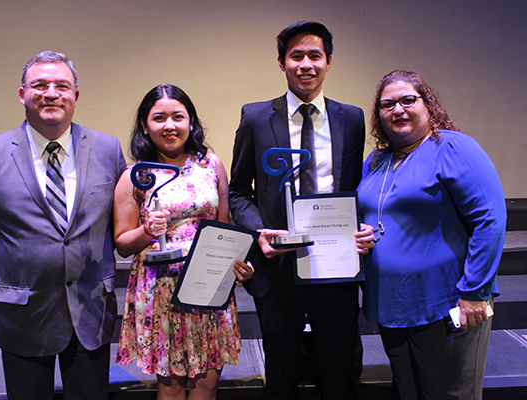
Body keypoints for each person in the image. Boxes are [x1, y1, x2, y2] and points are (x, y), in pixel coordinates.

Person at [0, 51, 126, 400]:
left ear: (75, 96)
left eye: (61, 86)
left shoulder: (108, 149)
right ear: (22, 93)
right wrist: (19, 269)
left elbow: (117, 222)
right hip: (23, 312)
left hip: (91, 310)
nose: (51, 93)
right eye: (39, 85)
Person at [229, 21, 374, 400]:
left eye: (314, 55)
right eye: (296, 56)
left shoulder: (352, 118)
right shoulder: (257, 117)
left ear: (328, 62)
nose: (305, 64)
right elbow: (239, 191)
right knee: (281, 373)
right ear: (281, 62)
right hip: (278, 267)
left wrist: (362, 226)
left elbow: (356, 188)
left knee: (339, 371)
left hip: (336, 264)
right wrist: (260, 232)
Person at [357, 70, 506, 400]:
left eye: (408, 100)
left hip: (449, 303)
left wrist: (475, 292)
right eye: (387, 104)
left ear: (428, 104)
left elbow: (490, 221)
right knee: (410, 393)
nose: (398, 110)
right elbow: (374, 211)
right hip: (391, 306)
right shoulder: (376, 161)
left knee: (452, 395)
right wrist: (361, 232)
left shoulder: (453, 147)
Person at [114, 84, 254, 400]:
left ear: (191, 121)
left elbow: (223, 226)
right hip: (161, 290)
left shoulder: (211, 164)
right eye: (159, 118)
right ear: (145, 125)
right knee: (172, 387)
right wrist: (148, 230)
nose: (170, 125)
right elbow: (123, 243)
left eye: (178, 116)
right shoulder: (135, 175)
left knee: (207, 383)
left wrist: (237, 263)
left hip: (208, 283)